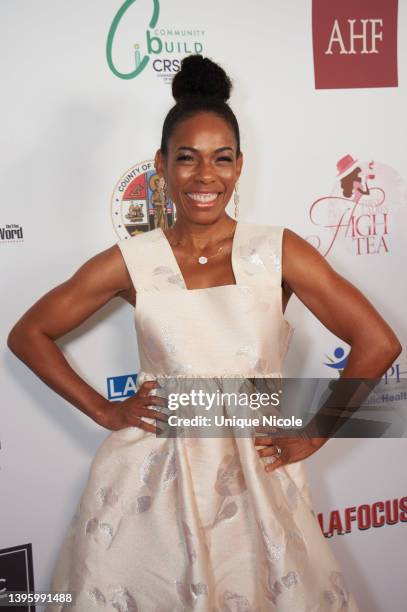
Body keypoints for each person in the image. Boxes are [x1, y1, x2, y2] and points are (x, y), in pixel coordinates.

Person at [7, 55, 401, 611]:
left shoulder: (278, 252)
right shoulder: (132, 261)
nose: (204, 176)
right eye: (186, 159)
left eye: (220, 159)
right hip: (148, 492)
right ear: (161, 165)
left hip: (257, 482)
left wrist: (314, 434)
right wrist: (105, 410)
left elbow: (379, 342)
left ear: (240, 166)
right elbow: (29, 334)